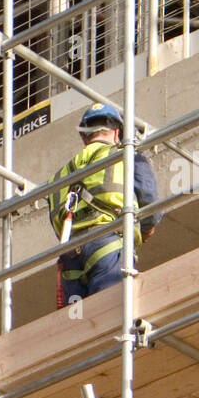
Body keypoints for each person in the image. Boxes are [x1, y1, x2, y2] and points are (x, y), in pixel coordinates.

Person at [48, 102, 161, 304]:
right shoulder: (126, 155)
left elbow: (57, 221)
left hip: (70, 258)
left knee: (76, 323)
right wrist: (146, 229)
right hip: (107, 245)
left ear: (84, 137)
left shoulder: (59, 177)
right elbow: (149, 198)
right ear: (117, 133)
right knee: (109, 314)